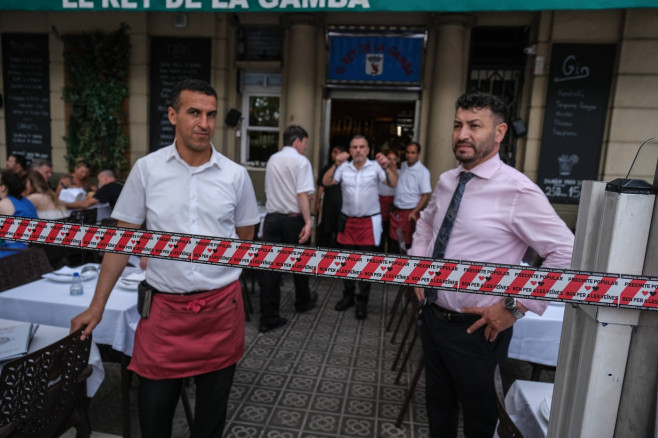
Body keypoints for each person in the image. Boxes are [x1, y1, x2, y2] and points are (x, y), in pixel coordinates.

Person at [70, 79, 260, 438]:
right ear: (173, 115)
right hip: (163, 315)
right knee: (154, 420)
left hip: (220, 313)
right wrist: (97, 307)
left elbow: (246, 239)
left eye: (211, 114)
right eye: (194, 112)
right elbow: (120, 242)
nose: (204, 123)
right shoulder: (147, 170)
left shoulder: (236, 176)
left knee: (209, 424)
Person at [409, 91, 574, 437]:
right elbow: (426, 224)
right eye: (457, 125)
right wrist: (418, 273)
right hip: (433, 319)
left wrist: (515, 306)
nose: (462, 134)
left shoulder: (517, 191)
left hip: (479, 332)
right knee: (438, 413)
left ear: (499, 133)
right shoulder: (446, 181)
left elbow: (566, 252)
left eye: (474, 125)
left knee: (479, 423)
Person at [322, 134, 398, 319]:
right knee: (347, 263)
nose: (358, 150)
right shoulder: (344, 168)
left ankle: (362, 301)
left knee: (365, 264)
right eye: (354, 147)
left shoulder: (375, 167)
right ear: (350, 150)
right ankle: (348, 296)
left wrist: (388, 166)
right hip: (348, 222)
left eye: (361, 147)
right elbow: (325, 182)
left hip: (368, 223)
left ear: (367, 149)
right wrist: (336, 164)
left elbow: (393, 183)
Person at [259, 125, 317, 333]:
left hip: (272, 218)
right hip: (293, 220)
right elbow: (301, 194)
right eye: (304, 143)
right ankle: (302, 301)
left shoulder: (273, 159)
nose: (305, 148)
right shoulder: (301, 161)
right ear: (297, 141)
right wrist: (308, 222)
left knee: (270, 270)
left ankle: (268, 316)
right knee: (299, 263)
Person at [388, 142, 431, 253]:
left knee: (405, 247)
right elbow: (398, 180)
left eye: (413, 153)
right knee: (393, 244)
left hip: (409, 213)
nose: (409, 155)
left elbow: (425, 195)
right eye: (407, 152)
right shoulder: (403, 165)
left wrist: (414, 212)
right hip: (396, 211)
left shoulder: (423, 172)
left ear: (418, 154)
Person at [0, 169, 38, 258]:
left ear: (3, 187)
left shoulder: (4, 204)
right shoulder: (27, 201)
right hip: (31, 252)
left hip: (12, 253)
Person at [315, 145, 346, 248]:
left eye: (335, 152)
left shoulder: (349, 168)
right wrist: (318, 202)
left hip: (343, 206)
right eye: (332, 152)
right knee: (326, 231)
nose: (333, 154)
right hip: (329, 204)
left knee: (341, 232)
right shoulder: (328, 168)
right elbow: (321, 186)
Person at [378, 149, 398, 252]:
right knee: (380, 236)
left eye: (394, 159)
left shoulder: (399, 172)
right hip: (380, 207)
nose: (391, 162)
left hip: (394, 209)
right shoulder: (380, 172)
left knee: (392, 238)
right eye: (389, 159)